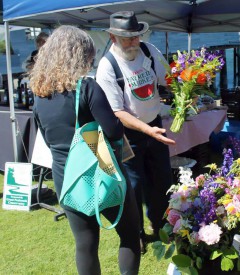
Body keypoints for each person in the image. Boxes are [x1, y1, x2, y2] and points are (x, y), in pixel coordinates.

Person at [29, 25, 140, 275]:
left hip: (65, 176)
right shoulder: (87, 87)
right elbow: (113, 132)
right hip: (103, 170)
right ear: (81, 55)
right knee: (130, 235)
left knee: (86, 244)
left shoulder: (39, 94)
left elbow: (47, 139)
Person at [96, 11, 176, 252]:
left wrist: (189, 81)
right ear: (112, 37)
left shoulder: (149, 50)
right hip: (129, 135)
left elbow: (168, 79)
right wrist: (147, 130)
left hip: (155, 125)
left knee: (162, 179)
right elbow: (117, 112)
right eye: (127, 38)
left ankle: (160, 224)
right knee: (133, 185)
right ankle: (137, 233)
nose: (134, 42)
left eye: (136, 37)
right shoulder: (107, 67)